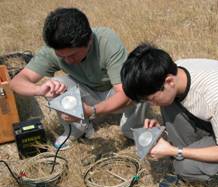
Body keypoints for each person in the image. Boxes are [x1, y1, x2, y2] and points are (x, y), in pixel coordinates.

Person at [121, 43, 218, 187]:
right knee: (169, 101)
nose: (151, 105)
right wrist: (162, 131)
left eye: (151, 99)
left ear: (169, 82)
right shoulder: (175, 73)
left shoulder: (215, 95)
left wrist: (175, 151)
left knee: (184, 167)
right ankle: (201, 145)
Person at [10, 8, 148, 150]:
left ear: (88, 40)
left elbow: (125, 94)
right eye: (61, 56)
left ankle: (132, 128)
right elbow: (16, 82)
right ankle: (76, 130)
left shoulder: (107, 41)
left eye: (73, 55)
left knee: (139, 83)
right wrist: (39, 89)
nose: (68, 61)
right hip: (87, 91)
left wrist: (92, 111)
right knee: (57, 85)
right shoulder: (53, 50)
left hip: (114, 91)